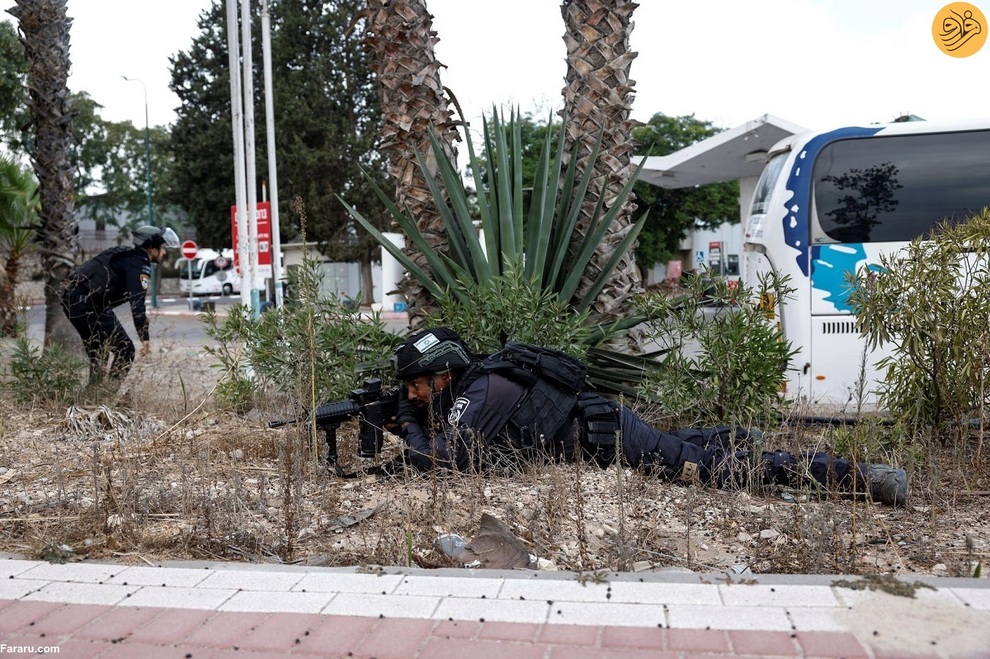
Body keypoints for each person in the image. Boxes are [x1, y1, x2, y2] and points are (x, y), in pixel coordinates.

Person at [391, 327, 909, 506]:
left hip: (611, 437)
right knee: (685, 446)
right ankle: (733, 436)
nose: (413, 395)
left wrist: (407, 426)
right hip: (603, 431)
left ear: (443, 372)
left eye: (416, 384)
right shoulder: (477, 383)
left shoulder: (481, 389)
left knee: (714, 471)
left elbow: (445, 460)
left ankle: (864, 478)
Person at [61, 225, 181, 386]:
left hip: (73, 300)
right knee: (126, 349)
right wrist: (144, 337)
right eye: (163, 248)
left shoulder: (123, 254)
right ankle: (108, 393)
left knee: (99, 350)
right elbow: (137, 304)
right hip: (90, 304)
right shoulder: (139, 265)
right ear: (152, 249)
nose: (164, 252)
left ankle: (94, 394)